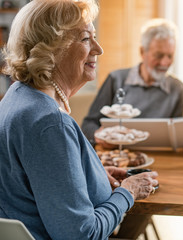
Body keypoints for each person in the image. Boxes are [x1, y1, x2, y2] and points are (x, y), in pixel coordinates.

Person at [0, 1, 158, 239]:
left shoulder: (17, 96)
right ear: (52, 49)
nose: (98, 48)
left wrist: (88, 172)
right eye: (86, 39)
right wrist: (129, 192)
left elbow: (34, 178)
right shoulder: (49, 122)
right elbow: (81, 234)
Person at [81, 18, 183, 147]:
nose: (165, 63)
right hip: (115, 156)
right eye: (158, 55)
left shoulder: (178, 88)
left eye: (170, 56)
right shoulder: (116, 79)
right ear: (142, 52)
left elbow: (178, 135)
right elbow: (88, 125)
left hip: (160, 158)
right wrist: (97, 135)